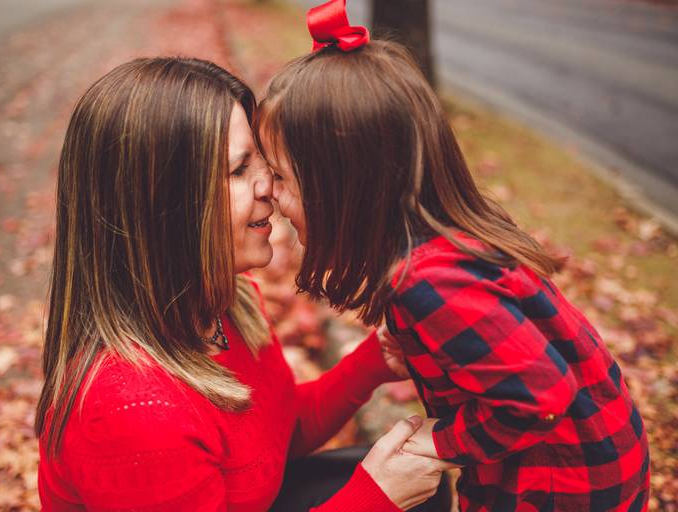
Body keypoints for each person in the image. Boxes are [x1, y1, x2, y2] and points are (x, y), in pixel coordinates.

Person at [254, 1, 651, 510]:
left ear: (344, 186)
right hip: (595, 450)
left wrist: (440, 441)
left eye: (282, 177)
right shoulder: (448, 241)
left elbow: (539, 398)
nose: (271, 193)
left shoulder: (429, 283)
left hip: (560, 484)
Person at [35, 56, 449, 511]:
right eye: (238, 170)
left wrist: (375, 360)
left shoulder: (227, 303)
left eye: (265, 163)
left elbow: (272, 436)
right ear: (160, 209)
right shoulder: (133, 413)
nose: (269, 186)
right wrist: (373, 500)